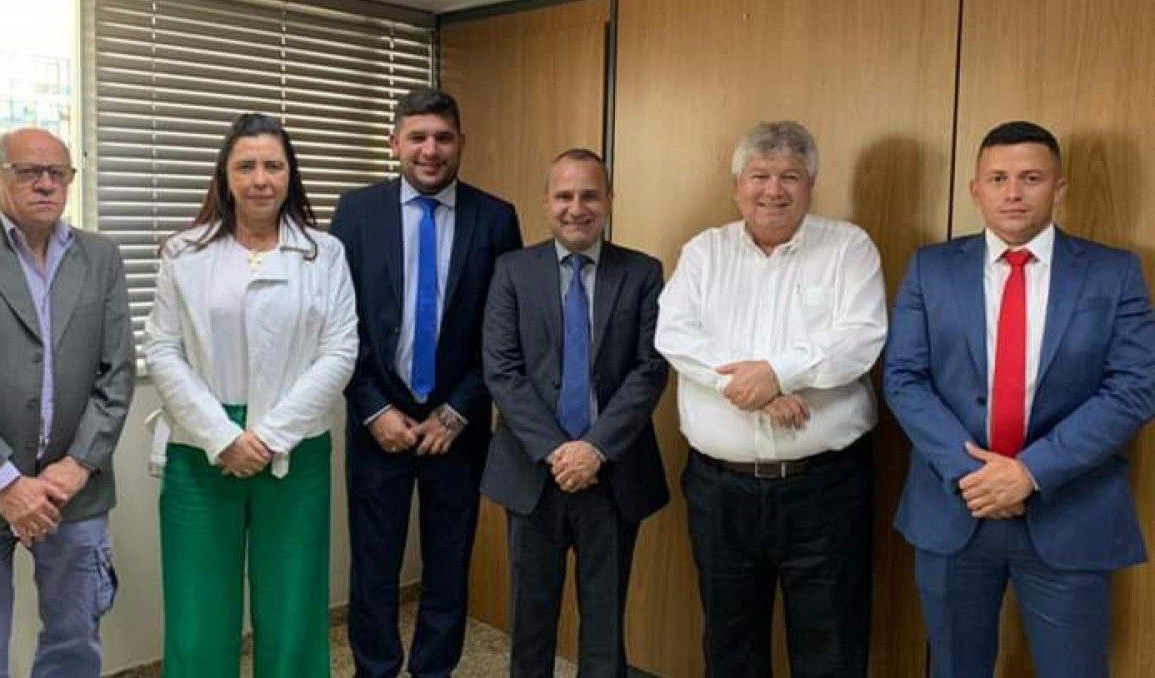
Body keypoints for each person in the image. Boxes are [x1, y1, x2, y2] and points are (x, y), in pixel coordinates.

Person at [884, 120, 1155, 678]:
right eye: (998, 178)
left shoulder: (1115, 272)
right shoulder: (931, 268)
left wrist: (1029, 473)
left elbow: (1134, 388)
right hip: (955, 508)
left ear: (1059, 187)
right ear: (975, 189)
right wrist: (976, 477)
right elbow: (905, 378)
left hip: (1070, 511)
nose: (1013, 192)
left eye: (1031, 178)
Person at [655, 121, 886, 677]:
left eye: (790, 176)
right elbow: (675, 335)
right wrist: (756, 392)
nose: (773, 190)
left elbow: (861, 339)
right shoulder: (705, 252)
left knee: (832, 647)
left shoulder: (849, 248)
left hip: (825, 489)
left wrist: (778, 373)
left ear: (811, 184)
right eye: (759, 176)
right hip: (720, 491)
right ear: (737, 185)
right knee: (730, 646)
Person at [145, 112, 358, 677]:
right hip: (200, 446)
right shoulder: (183, 253)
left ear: (290, 175)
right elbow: (162, 348)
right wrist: (223, 436)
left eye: (272, 166)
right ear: (226, 175)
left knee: (293, 605)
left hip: (296, 447)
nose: (260, 179)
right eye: (246, 166)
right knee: (198, 608)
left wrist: (268, 435)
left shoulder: (325, 253)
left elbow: (340, 351)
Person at [330, 87, 522, 678]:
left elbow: (503, 330)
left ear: (461, 142)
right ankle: (375, 670)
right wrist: (372, 409)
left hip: (457, 429)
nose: (430, 150)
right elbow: (337, 322)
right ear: (395, 143)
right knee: (374, 566)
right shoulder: (356, 212)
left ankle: (434, 670)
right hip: (376, 422)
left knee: (448, 566)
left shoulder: (496, 218)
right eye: (417, 137)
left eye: (442, 137)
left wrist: (458, 410)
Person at [482, 149, 669, 677]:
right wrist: (557, 451)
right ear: (546, 202)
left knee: (605, 625)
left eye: (589, 195)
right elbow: (502, 370)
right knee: (530, 622)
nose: (576, 208)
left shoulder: (642, 272)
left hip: (613, 474)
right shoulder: (512, 271)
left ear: (609, 200)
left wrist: (594, 449)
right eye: (564, 196)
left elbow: (650, 369)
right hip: (532, 474)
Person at [0, 127, 134, 677]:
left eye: (58, 173)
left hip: (72, 490)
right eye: (29, 172)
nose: (46, 184)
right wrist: (6, 482)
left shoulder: (100, 256)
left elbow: (117, 372)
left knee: (75, 643)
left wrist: (79, 464)